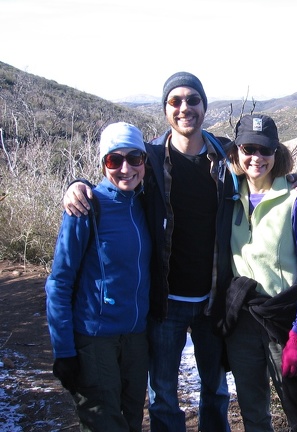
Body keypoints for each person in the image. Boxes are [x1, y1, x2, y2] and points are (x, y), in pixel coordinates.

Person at [63, 72, 297, 432]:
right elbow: (114, 179)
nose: (184, 108)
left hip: (214, 300)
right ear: (165, 108)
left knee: (215, 390)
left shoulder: (226, 157)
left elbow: (263, 169)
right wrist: (76, 185)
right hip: (165, 303)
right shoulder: (146, 158)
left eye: (192, 100)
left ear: (204, 106)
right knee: (163, 393)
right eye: (175, 101)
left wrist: (293, 179)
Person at [213, 114, 297, 432]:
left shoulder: (295, 200)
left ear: (276, 153)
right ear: (237, 151)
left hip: (285, 320)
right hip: (244, 320)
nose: (256, 158)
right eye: (248, 148)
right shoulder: (227, 194)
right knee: (254, 414)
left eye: (265, 150)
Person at [46, 122, 152, 431]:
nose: (125, 168)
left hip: (135, 339)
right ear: (102, 162)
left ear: (144, 161)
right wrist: (64, 351)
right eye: (113, 160)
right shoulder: (85, 208)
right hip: (95, 340)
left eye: (134, 158)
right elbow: (59, 282)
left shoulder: (145, 202)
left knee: (131, 421)